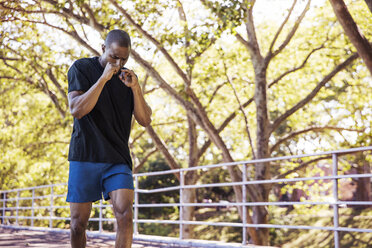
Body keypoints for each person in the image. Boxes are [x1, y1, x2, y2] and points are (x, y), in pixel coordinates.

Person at [66, 29, 152, 248]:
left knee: (125, 215)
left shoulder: (127, 79)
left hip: (117, 158)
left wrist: (136, 88)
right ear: (103, 48)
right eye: (114, 56)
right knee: (77, 224)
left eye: (125, 58)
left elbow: (145, 119)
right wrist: (103, 79)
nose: (119, 62)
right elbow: (76, 109)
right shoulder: (81, 68)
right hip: (85, 155)